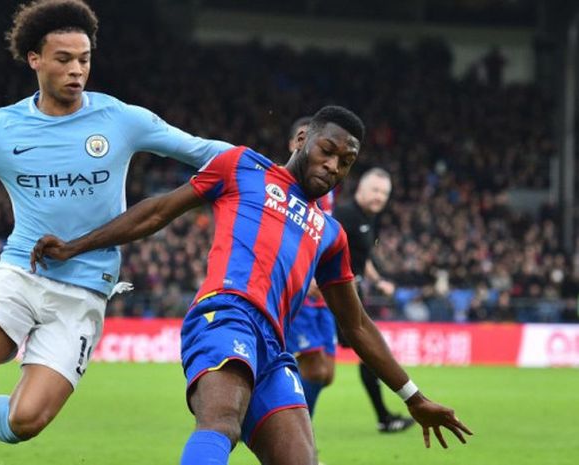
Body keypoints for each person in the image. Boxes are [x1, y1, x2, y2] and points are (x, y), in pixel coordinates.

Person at [0, 1, 232, 464]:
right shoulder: (2, 128)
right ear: (35, 59)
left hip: (85, 293)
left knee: (25, 422)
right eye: (64, 59)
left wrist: (279, 175)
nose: (77, 70)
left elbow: (203, 151)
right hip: (20, 273)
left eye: (84, 59)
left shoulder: (121, 120)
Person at [31, 105, 472, 465]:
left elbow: (356, 326)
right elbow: (158, 212)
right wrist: (74, 247)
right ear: (302, 141)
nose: (333, 166)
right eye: (327, 150)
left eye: (346, 162)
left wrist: (413, 396)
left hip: (274, 347)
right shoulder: (243, 166)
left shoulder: (331, 233)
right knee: (221, 422)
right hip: (224, 314)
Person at [333, 167, 415, 432]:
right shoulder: (344, 214)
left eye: (384, 193)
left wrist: (378, 280)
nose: (380, 197)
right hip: (331, 292)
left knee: (365, 353)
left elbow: (362, 256)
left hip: (350, 292)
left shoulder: (371, 219)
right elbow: (319, 245)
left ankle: (383, 417)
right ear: (361, 190)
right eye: (376, 190)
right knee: (319, 362)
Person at [283, 116, 338, 418]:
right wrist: (306, 274)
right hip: (302, 287)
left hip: (321, 290)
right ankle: (299, 445)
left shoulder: (325, 189)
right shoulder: (284, 187)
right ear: (295, 143)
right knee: (313, 367)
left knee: (326, 372)